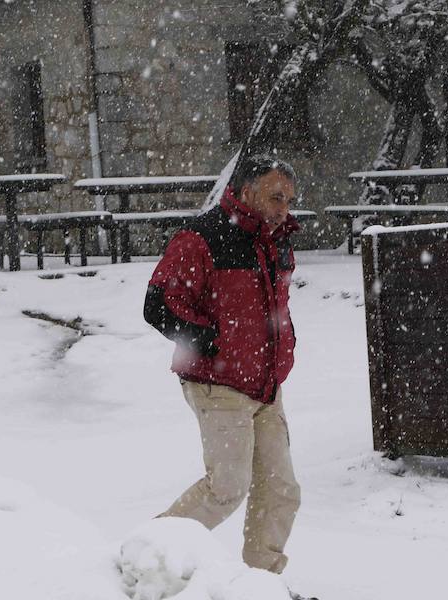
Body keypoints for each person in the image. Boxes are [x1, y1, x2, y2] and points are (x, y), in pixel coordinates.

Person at [143, 155, 303, 576]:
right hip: (218, 383)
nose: (283, 208)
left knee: (281, 490)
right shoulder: (202, 237)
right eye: (275, 197)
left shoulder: (277, 240)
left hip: (266, 385)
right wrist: (212, 343)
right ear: (247, 191)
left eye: (288, 199)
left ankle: (260, 583)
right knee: (226, 489)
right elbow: (158, 305)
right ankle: (147, 559)